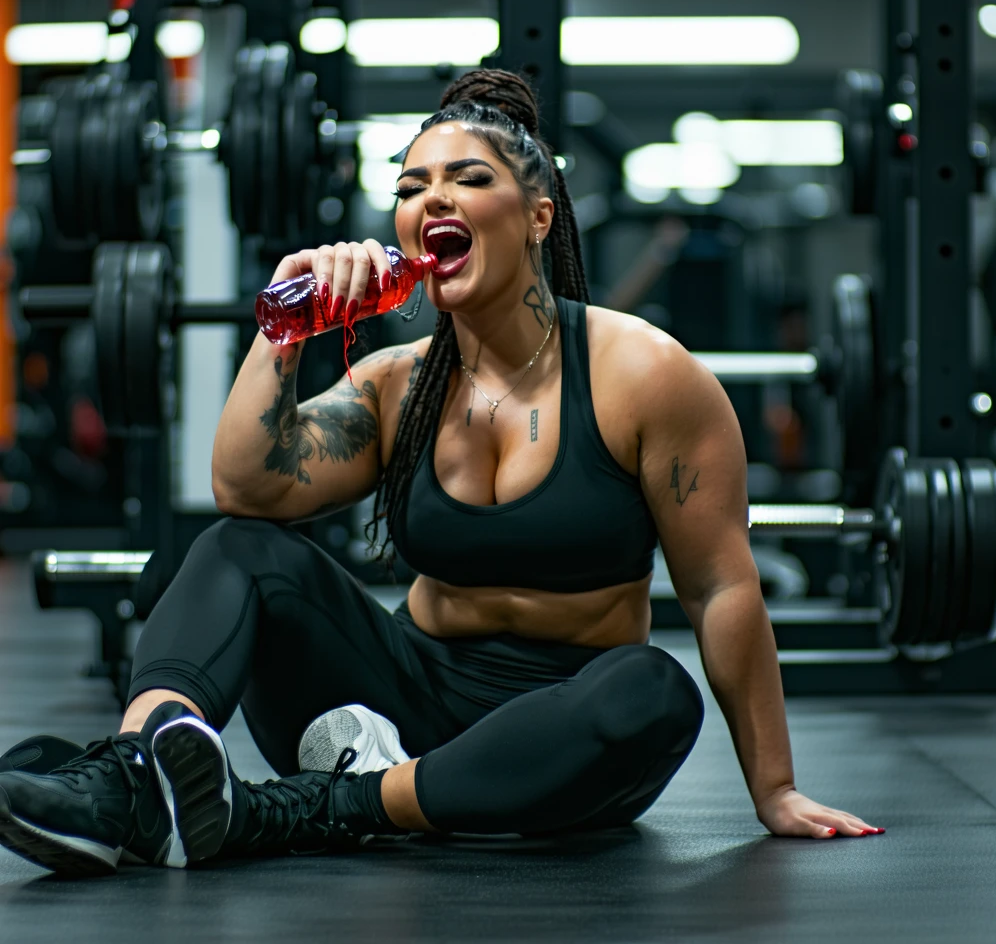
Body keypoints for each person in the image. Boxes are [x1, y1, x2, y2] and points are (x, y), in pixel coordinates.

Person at [0, 70, 883, 878]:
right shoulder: (399, 384)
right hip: (398, 703)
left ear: (538, 215)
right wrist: (284, 326)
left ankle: (303, 809)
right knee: (238, 547)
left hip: (558, 732)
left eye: (467, 178)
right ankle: (133, 774)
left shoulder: (643, 376)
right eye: (412, 186)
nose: (433, 200)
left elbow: (723, 590)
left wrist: (775, 790)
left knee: (654, 693)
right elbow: (249, 490)